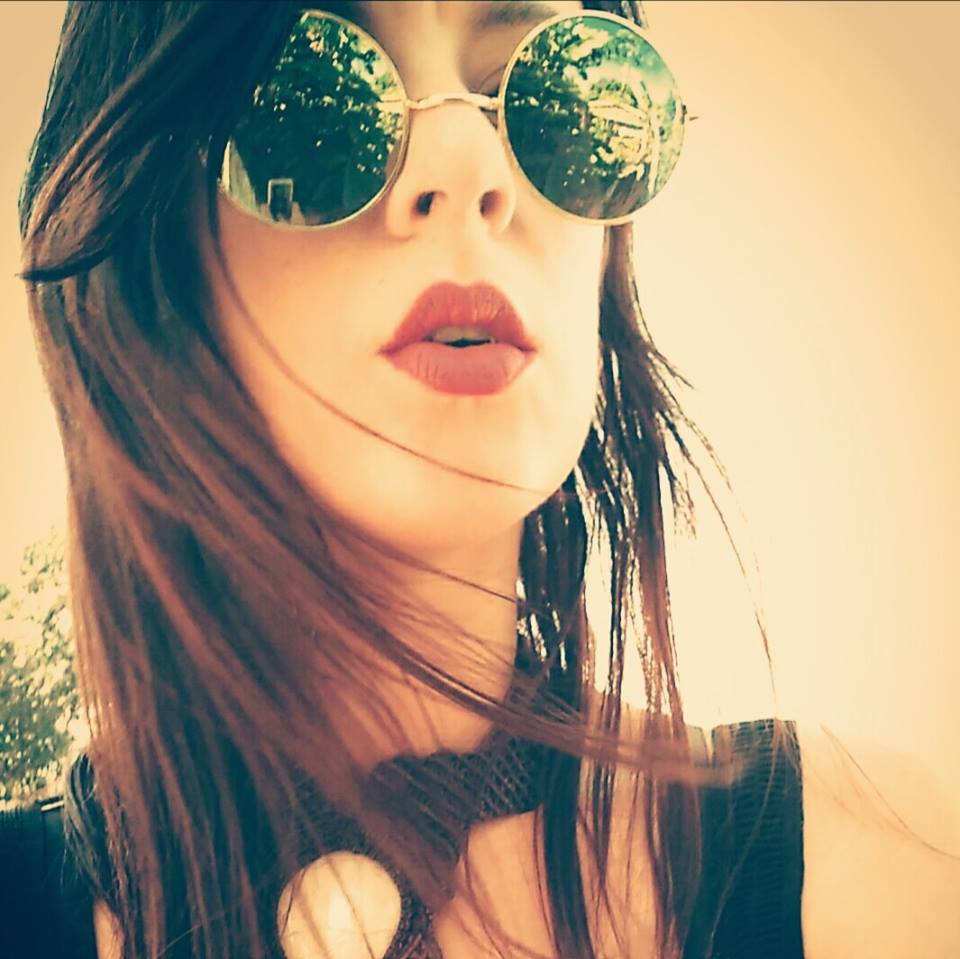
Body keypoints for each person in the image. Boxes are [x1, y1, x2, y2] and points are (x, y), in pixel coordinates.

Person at [4, 1, 958, 957]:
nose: (470, 164)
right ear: (148, 232)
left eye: (554, 97)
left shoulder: (883, 879)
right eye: (312, 92)